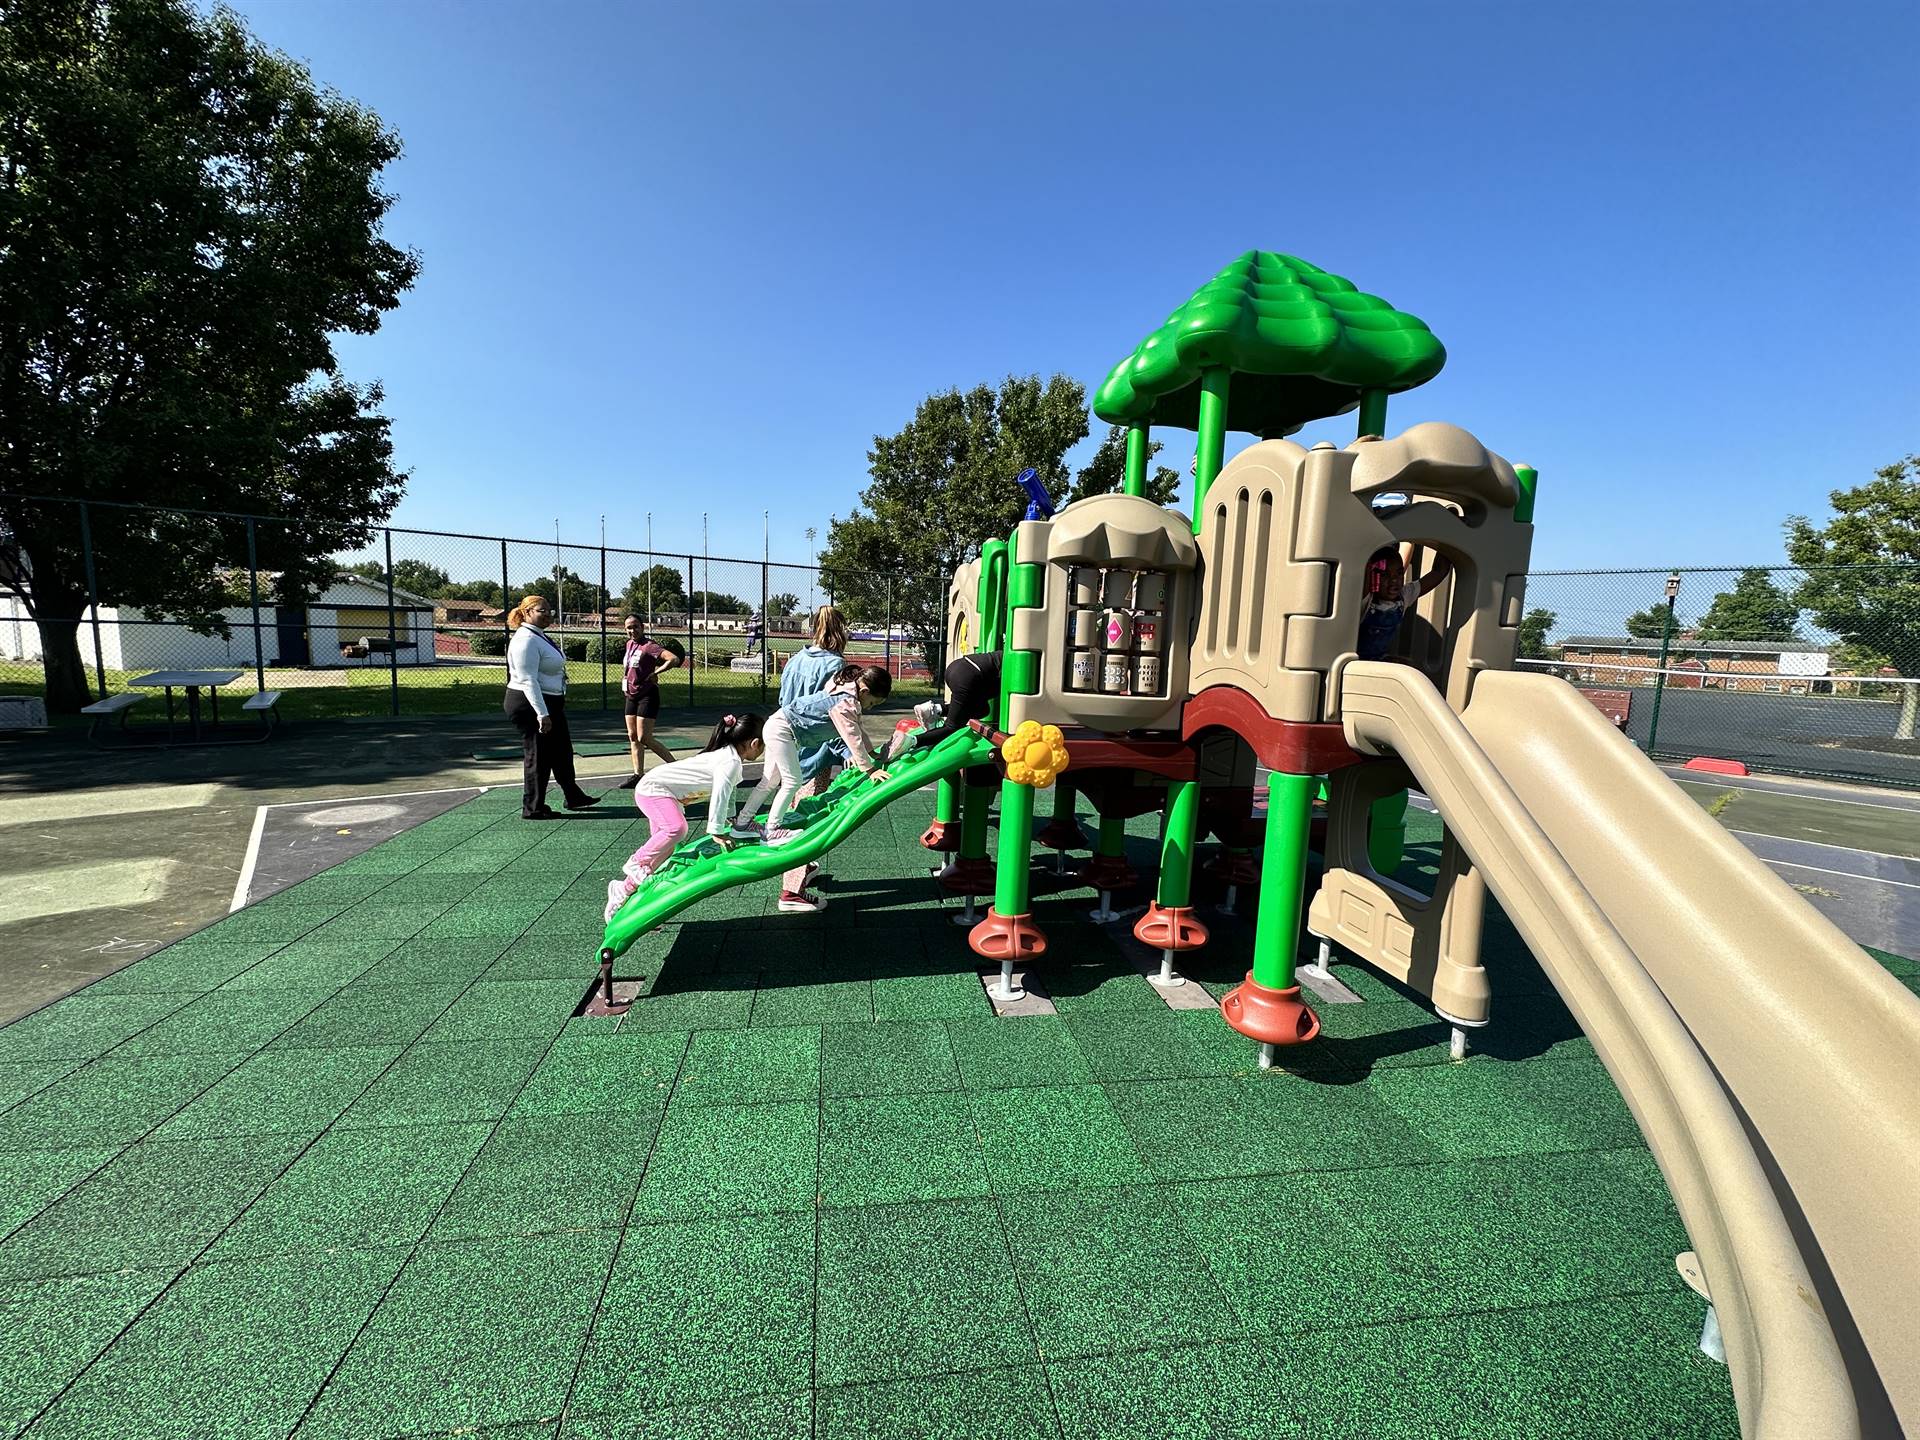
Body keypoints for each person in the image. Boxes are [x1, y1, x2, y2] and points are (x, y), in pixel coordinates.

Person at [605, 713, 763, 922]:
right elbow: (720, 794)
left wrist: (732, 818)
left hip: (665, 794)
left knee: (662, 854)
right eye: (764, 745)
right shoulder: (729, 761)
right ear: (754, 743)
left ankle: (622, 891)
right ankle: (636, 862)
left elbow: (729, 792)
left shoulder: (729, 758)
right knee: (677, 829)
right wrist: (715, 830)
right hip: (654, 789)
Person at [730, 662, 892, 840]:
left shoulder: (846, 691)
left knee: (769, 781)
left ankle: (742, 824)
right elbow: (852, 736)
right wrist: (870, 769)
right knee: (793, 781)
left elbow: (858, 728)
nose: (871, 707)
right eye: (872, 702)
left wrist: (870, 752)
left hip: (777, 724)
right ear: (864, 691)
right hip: (784, 730)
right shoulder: (845, 703)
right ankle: (772, 830)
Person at [503, 595, 600, 820]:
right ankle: (533, 808)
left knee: (562, 751)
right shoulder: (525, 639)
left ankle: (573, 796)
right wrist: (542, 714)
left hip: (549, 702)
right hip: (530, 704)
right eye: (541, 611)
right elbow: (528, 680)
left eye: (549, 610)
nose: (547, 614)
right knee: (538, 756)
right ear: (527, 613)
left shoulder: (539, 636)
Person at [781, 605, 851, 795]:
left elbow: (783, 700)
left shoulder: (795, 660)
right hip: (815, 746)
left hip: (788, 739)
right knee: (810, 806)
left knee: (790, 797)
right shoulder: (836, 664)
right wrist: (849, 752)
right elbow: (835, 712)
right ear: (839, 630)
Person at [616, 615, 684, 789]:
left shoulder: (649, 646)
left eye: (635, 627)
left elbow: (673, 659)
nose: (632, 630)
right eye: (629, 628)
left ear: (642, 627)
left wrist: (656, 673)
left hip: (648, 695)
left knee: (644, 737)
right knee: (632, 736)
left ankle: (677, 768)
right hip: (631, 695)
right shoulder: (629, 644)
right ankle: (638, 774)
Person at [1357, 544, 1453, 662]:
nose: (1394, 580)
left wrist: (1447, 539)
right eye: (1384, 575)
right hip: (1356, 662)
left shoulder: (1403, 596)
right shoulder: (1366, 599)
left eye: (1399, 573)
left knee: (1408, 665)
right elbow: (1366, 562)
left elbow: (1439, 572)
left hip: (1378, 659)